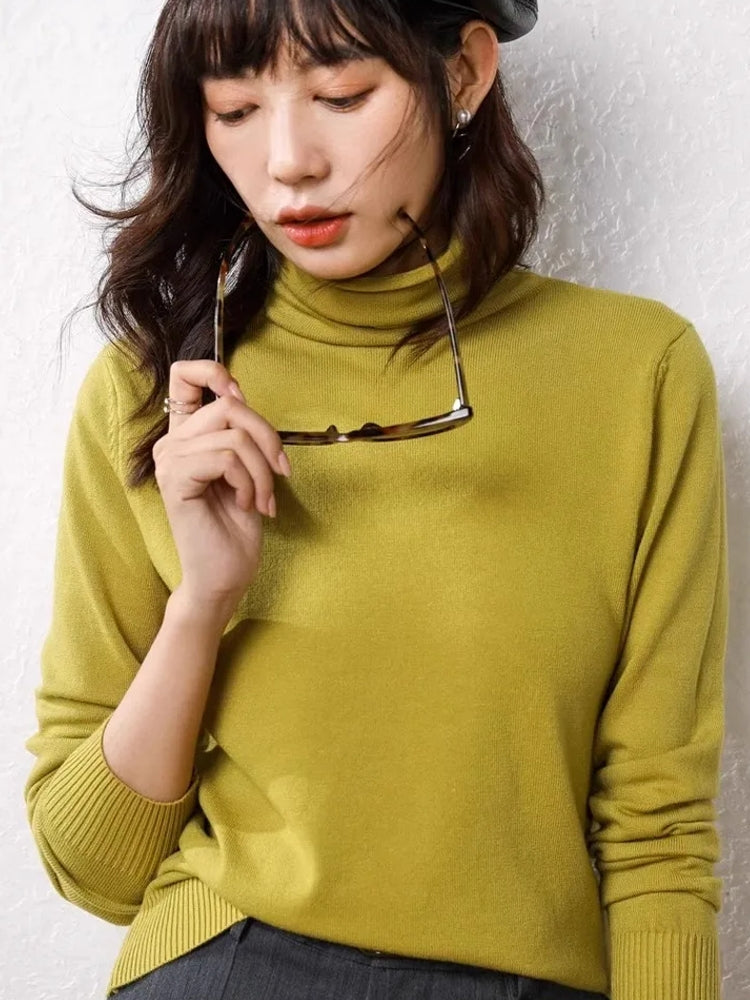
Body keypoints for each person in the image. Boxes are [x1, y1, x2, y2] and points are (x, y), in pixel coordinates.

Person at [23, 1, 728, 998]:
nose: (289, 163)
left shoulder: (636, 375)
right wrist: (203, 603)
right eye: (235, 110)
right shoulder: (156, 396)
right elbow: (94, 867)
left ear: (463, 74)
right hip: (227, 960)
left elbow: (657, 827)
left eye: (343, 95)